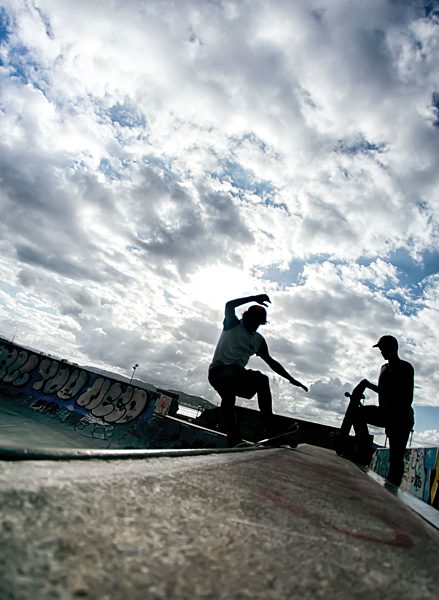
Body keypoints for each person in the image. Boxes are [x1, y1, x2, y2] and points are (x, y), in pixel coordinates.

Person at [208, 294, 308, 447]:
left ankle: (269, 431)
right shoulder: (232, 324)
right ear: (245, 317)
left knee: (259, 381)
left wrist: (290, 378)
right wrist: (254, 298)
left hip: (235, 376)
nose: (254, 325)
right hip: (218, 373)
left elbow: (271, 361)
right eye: (252, 321)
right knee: (230, 388)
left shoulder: (258, 340)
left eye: (258, 323)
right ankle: (235, 437)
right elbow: (229, 305)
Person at [350, 335, 414, 487]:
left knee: (395, 458)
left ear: (393, 348)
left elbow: (406, 398)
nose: (381, 352)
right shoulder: (383, 368)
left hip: (401, 417)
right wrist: (367, 384)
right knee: (357, 414)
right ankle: (363, 451)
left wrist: (392, 423)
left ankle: (393, 492)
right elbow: (383, 391)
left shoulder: (405, 367)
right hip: (385, 413)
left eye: (383, 348)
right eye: (380, 349)